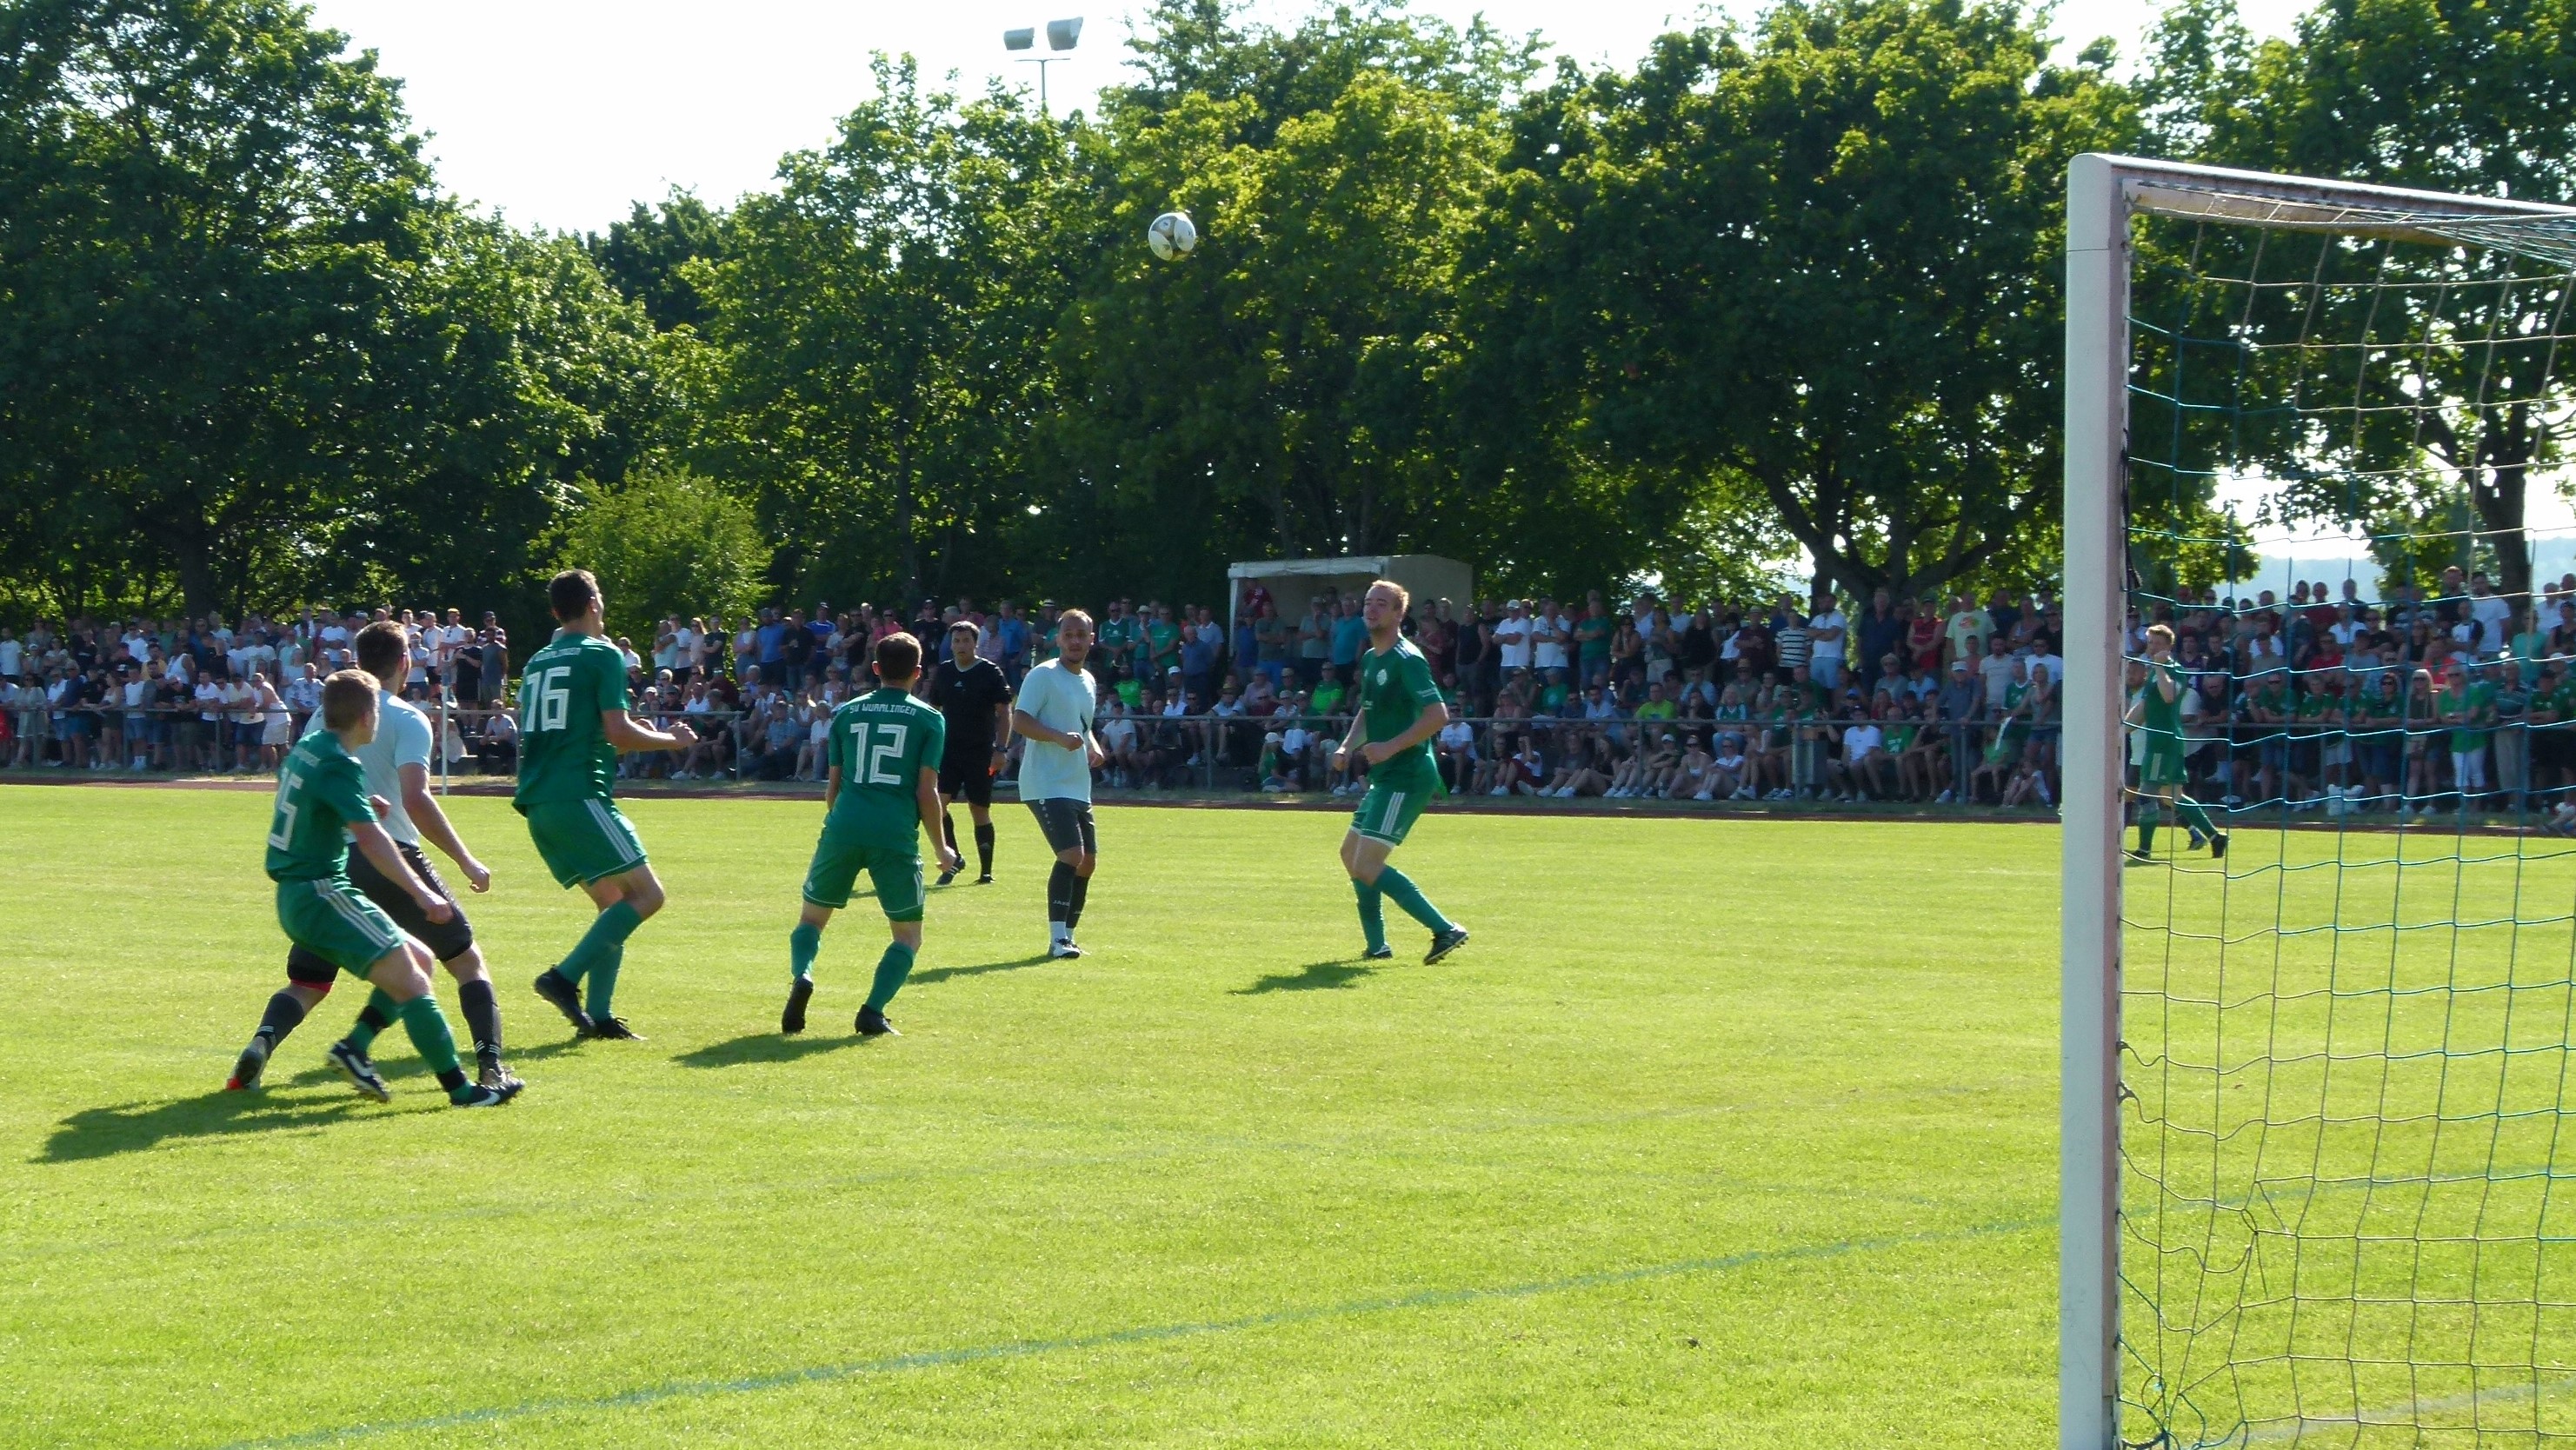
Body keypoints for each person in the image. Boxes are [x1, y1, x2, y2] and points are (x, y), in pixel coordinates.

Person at [227, 624, 521, 1097]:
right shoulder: (405, 718)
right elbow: (414, 802)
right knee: (458, 964)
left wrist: (363, 807)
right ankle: (484, 1074)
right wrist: (454, 869)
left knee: (310, 982)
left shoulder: (314, 732)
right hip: (364, 866)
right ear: (405, 662)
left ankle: (266, 1041)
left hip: (322, 870)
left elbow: (323, 794)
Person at [516, 569, 698, 1041]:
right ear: (594, 604)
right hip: (578, 794)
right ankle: (563, 978)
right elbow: (617, 733)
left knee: (613, 903)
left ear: (557, 611)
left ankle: (599, 1017)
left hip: (539, 800)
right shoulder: (603, 654)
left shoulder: (538, 661)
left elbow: (583, 732)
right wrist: (670, 741)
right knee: (648, 896)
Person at [782, 632, 962, 1038]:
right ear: (918, 673)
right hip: (894, 833)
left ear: (875, 669)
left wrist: (842, 823)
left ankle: (803, 975)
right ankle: (872, 1011)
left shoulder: (846, 713)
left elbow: (833, 785)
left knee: (812, 918)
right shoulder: (930, 719)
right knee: (908, 936)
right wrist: (942, 847)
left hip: (844, 824)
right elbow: (926, 791)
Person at [1334, 580, 1470, 964]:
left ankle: (1446, 929)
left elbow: (1438, 715)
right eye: (1367, 603)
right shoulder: (1372, 658)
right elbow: (1368, 710)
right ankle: (1377, 946)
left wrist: (1391, 746)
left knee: (1367, 864)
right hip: (1387, 777)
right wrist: (1349, 745)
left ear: (1398, 614)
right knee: (1350, 855)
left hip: (1407, 776)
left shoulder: (1408, 659)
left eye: (1381, 604)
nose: (1371, 609)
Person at [1012, 609, 1105, 959]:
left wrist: (1091, 744)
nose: (1076, 641)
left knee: (1088, 862)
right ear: (1058, 638)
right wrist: (1057, 738)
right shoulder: (1043, 675)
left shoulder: (1089, 680)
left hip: (1077, 783)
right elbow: (1019, 720)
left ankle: (1068, 935)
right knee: (1071, 854)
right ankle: (1056, 940)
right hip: (1045, 782)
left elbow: (1083, 726)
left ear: (1091, 640)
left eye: (1082, 635)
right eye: (1069, 635)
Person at [2129, 622, 2228, 861]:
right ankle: (2215, 837)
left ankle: (2144, 850)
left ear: (2167, 646)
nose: (2150, 646)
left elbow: (2169, 696)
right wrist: (2124, 727)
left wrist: (2161, 668)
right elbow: (2145, 705)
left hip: (2163, 743)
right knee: (2174, 796)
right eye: (2149, 642)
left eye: (2154, 642)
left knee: (2147, 795)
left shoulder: (2173, 669)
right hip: (2160, 742)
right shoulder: (2155, 670)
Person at [924, 620, 1011, 886]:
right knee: (937, 805)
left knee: (979, 809)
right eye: (957, 641)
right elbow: (934, 711)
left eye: (966, 641)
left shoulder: (989, 672)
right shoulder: (945, 672)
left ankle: (986, 872)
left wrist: (1001, 748)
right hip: (949, 751)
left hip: (980, 751)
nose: (961, 646)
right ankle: (954, 859)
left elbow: (1005, 711)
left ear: (976, 643)